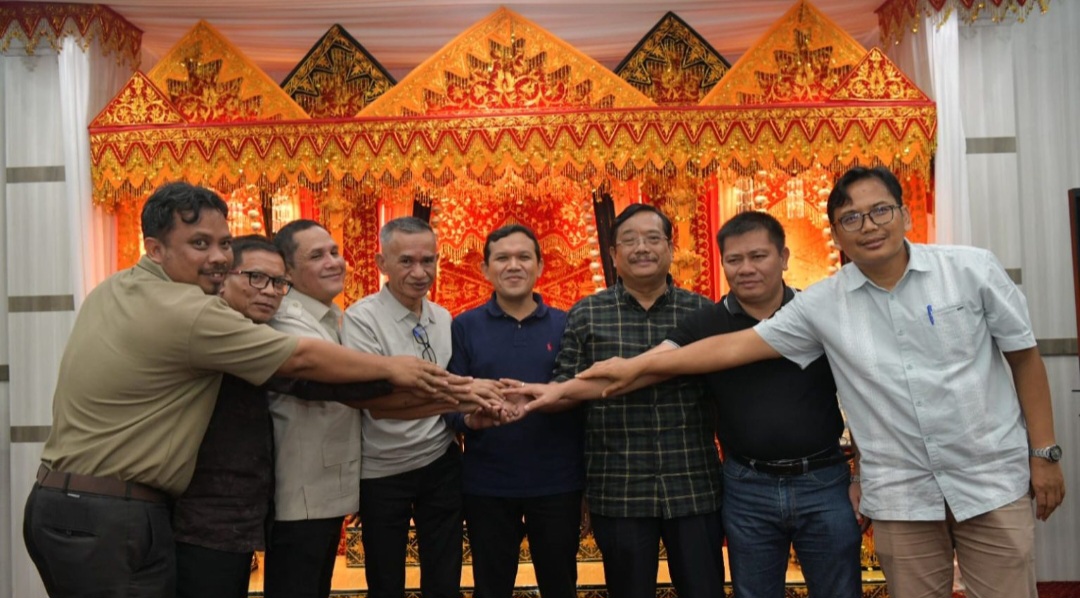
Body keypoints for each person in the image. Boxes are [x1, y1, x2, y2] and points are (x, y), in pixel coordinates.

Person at [579, 166, 1066, 598]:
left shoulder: (970, 268)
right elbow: (732, 347)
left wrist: (1043, 453)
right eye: (851, 218)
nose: (868, 226)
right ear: (836, 234)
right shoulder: (823, 304)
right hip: (903, 494)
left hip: (987, 479)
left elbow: (1024, 358)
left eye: (880, 211)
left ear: (905, 214)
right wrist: (635, 367)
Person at [23, 182, 451, 598]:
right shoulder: (195, 312)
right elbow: (302, 362)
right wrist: (398, 367)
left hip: (63, 505)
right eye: (200, 244)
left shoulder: (116, 287)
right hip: (114, 518)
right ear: (155, 248)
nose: (217, 258)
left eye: (224, 244)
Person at [516, 204, 725, 598]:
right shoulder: (587, 314)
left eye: (652, 238)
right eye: (629, 240)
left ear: (670, 248)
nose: (641, 248)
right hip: (619, 488)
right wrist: (531, 399)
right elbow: (566, 387)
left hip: (693, 485)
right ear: (613, 254)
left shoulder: (703, 313)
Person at [172, 235, 396, 598]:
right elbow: (315, 381)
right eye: (256, 278)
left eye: (277, 282)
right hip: (205, 515)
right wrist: (405, 375)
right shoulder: (213, 332)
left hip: (244, 511)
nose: (270, 291)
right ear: (222, 278)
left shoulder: (257, 330)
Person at [664, 212, 862, 597]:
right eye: (734, 259)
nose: (746, 268)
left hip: (823, 481)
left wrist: (860, 477)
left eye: (758, 256)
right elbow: (656, 361)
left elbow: (862, 398)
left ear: (784, 258)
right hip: (747, 485)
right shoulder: (705, 323)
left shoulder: (818, 315)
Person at [344, 217, 489, 598]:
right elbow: (376, 402)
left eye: (428, 261)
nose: (420, 272)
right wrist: (466, 392)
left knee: (444, 575)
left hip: (440, 461)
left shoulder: (441, 317)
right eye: (406, 261)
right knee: (385, 578)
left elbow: (448, 385)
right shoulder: (361, 319)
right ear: (382, 264)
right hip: (382, 469)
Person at [445, 224, 585, 598]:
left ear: (540, 266)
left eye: (524, 257)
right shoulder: (464, 326)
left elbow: (582, 396)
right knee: (491, 587)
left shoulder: (567, 324)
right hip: (487, 483)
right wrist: (471, 420)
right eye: (502, 258)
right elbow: (451, 399)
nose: (513, 265)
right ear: (485, 269)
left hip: (557, 482)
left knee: (560, 585)